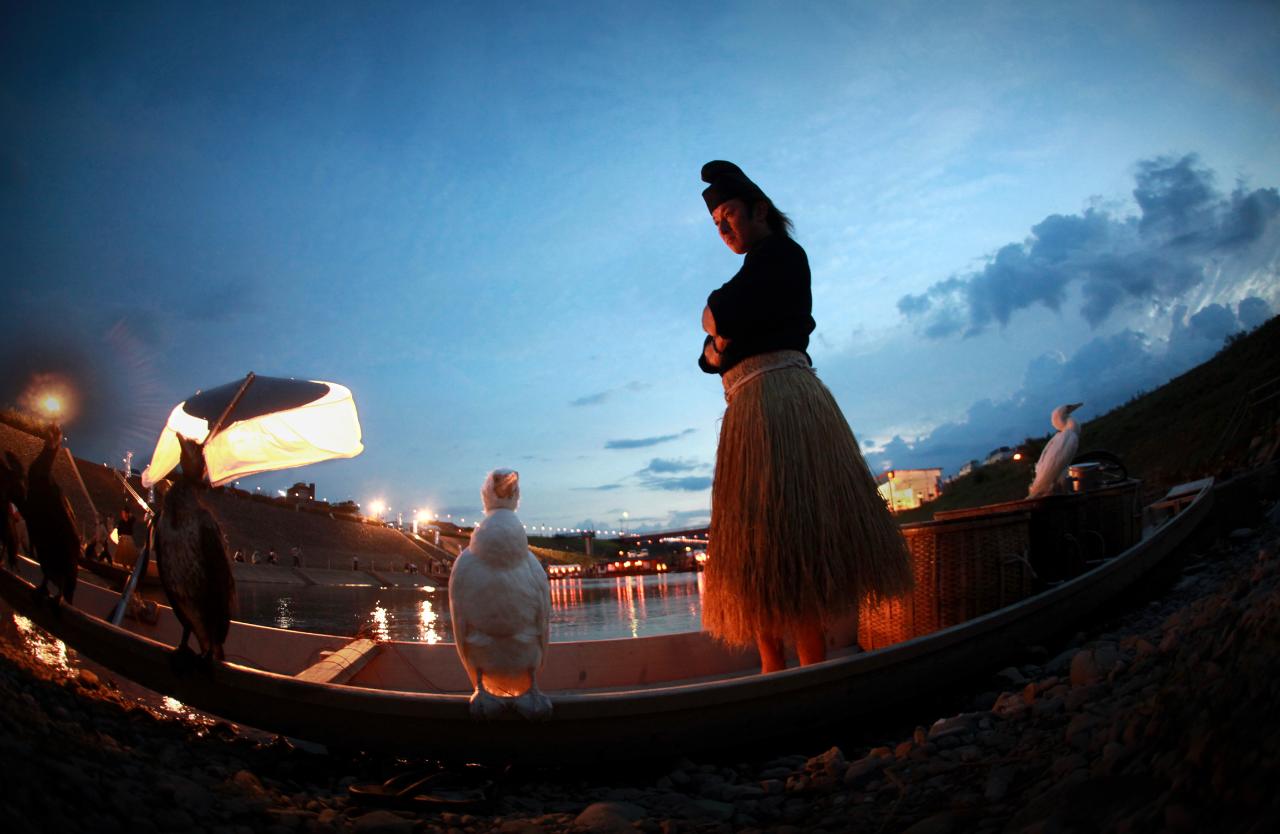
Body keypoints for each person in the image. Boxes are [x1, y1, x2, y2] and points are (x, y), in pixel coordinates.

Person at [695, 160, 913, 673]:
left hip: (780, 407)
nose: (724, 229)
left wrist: (719, 329)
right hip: (751, 408)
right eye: (716, 224)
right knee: (757, 553)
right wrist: (719, 339)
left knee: (791, 544)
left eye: (729, 215)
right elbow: (707, 359)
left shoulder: (783, 256)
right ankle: (773, 674)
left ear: (760, 211)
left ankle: (810, 675)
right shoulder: (758, 272)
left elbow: (717, 320)